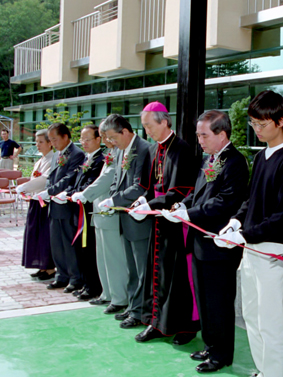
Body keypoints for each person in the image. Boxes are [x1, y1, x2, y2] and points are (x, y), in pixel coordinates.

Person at [215, 90, 283, 377]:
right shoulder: (263, 156)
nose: (256, 130)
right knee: (252, 316)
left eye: (262, 124)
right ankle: (263, 369)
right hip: (252, 248)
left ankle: (276, 374)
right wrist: (235, 222)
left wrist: (245, 234)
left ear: (282, 120)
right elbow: (250, 200)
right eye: (253, 124)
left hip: (272, 250)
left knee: (270, 321)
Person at [162, 110, 249, 373]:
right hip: (201, 242)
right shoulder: (209, 159)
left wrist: (189, 213)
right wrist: (181, 205)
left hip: (219, 245)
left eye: (204, 134)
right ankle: (211, 345)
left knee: (219, 302)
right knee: (204, 299)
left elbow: (226, 202)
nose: (199, 139)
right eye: (198, 134)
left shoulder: (235, 162)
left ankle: (222, 354)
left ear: (222, 134)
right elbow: (198, 193)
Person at [128, 101, 200, 344]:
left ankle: (185, 327)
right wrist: (141, 201)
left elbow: (181, 189)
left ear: (164, 121)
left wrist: (152, 205)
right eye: (144, 126)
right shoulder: (153, 150)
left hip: (176, 222)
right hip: (158, 224)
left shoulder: (181, 149)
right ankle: (156, 323)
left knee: (177, 278)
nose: (146, 131)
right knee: (157, 275)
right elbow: (150, 187)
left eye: (149, 126)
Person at [98, 114, 152, 329]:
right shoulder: (121, 151)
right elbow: (117, 181)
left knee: (141, 270)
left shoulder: (144, 149)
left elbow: (141, 186)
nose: (111, 142)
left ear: (125, 132)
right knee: (131, 267)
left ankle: (140, 312)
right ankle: (133, 306)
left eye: (113, 137)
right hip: (124, 217)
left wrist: (114, 199)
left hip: (139, 220)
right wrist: (112, 197)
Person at [72, 122, 129, 313]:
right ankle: (107, 293)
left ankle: (119, 297)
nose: (106, 140)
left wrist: (85, 194)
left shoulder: (120, 154)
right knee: (102, 258)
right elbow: (100, 179)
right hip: (100, 211)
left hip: (110, 212)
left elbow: (107, 179)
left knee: (114, 259)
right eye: (104, 136)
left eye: (108, 136)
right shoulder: (111, 154)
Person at [34, 123, 86, 293]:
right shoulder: (57, 153)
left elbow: (69, 178)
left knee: (69, 244)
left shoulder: (77, 154)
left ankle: (75, 277)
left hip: (66, 206)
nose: (53, 143)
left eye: (55, 139)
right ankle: (61, 275)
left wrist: (50, 191)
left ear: (65, 136)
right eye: (51, 140)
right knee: (56, 243)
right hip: (54, 206)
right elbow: (51, 177)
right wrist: (48, 190)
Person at [58, 125, 105, 301]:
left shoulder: (101, 160)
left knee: (89, 249)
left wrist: (73, 193)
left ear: (98, 139)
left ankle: (93, 286)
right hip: (78, 209)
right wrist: (69, 192)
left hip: (90, 210)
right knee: (81, 248)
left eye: (87, 139)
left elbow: (91, 183)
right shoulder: (86, 158)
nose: (83, 143)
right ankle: (87, 283)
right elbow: (76, 181)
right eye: (82, 139)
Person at [17, 129, 56, 280]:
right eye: (36, 142)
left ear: (49, 143)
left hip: (45, 202)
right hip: (35, 201)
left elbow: (44, 180)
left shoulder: (53, 159)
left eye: (41, 142)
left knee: (44, 235)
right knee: (35, 235)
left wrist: (25, 186)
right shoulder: (41, 159)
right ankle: (41, 265)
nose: (37, 145)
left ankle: (49, 267)